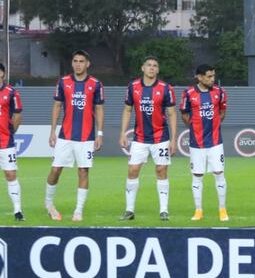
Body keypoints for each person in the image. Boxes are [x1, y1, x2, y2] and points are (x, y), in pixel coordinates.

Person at [45, 50, 105, 221]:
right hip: (65, 135)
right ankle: (48, 204)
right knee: (56, 170)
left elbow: (99, 109)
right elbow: (57, 106)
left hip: (86, 137)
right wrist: (52, 131)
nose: (78, 64)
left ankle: (78, 210)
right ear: (72, 63)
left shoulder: (96, 84)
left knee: (83, 172)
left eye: (81, 61)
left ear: (88, 64)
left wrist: (99, 133)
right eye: (75, 61)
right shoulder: (63, 82)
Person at [119, 56, 177, 221]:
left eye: (155, 66)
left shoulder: (166, 88)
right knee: (133, 170)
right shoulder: (133, 87)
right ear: (142, 68)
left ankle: (164, 210)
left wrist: (173, 139)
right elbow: (127, 110)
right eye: (149, 65)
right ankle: (129, 210)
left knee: (161, 170)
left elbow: (172, 114)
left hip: (161, 137)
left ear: (157, 70)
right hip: (140, 138)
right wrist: (123, 133)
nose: (152, 68)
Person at [179, 64, 229, 222]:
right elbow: (185, 115)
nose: (212, 79)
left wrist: (214, 126)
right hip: (196, 143)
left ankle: (222, 209)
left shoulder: (219, 92)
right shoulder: (188, 93)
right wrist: (194, 127)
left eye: (213, 76)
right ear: (199, 77)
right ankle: (198, 210)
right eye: (209, 76)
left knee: (219, 173)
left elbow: (222, 112)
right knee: (197, 175)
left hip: (215, 142)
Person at [0, 63, 24, 221]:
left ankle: (17, 210)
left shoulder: (11, 93)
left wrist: (10, 131)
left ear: (3, 73)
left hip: (5, 141)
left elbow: (17, 115)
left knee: (10, 174)